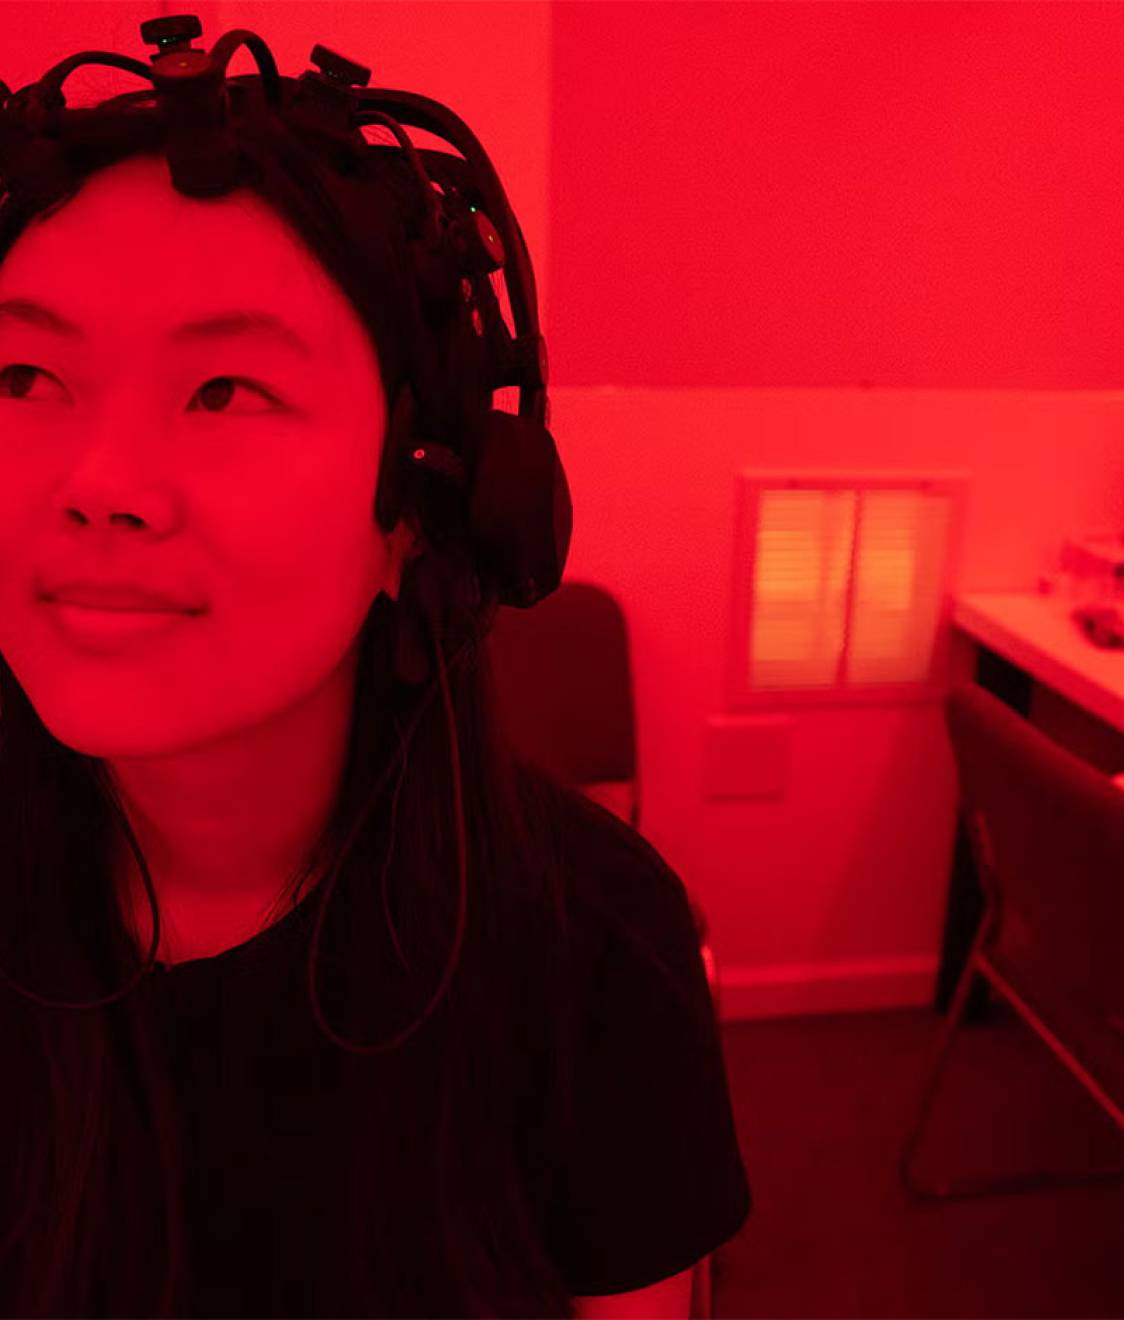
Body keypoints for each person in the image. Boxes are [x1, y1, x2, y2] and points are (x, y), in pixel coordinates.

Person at [0, 88, 750, 1318]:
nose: (99, 487)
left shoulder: (593, 943)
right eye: (25, 374)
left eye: (223, 391)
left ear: (420, 509)